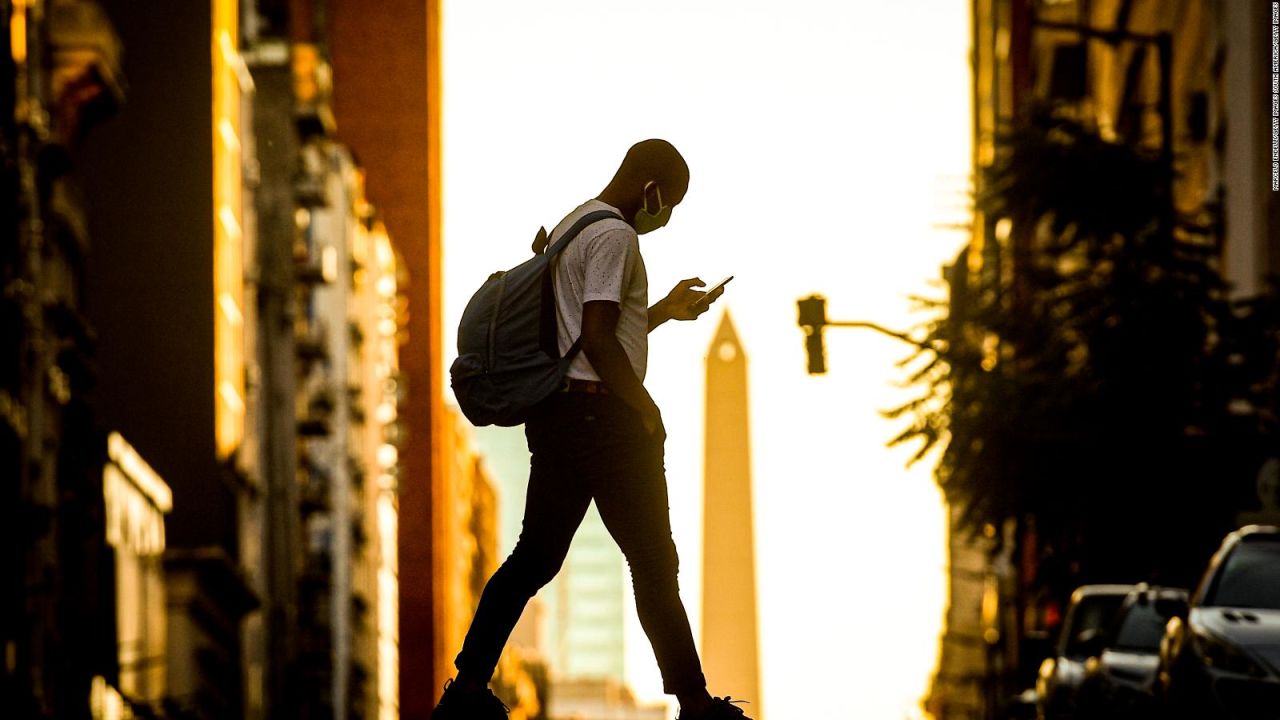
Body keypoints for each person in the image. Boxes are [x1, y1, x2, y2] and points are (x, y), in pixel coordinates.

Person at [432, 139, 752, 720]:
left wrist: (662, 313)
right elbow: (600, 341)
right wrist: (646, 410)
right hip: (604, 421)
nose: (667, 217)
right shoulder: (616, 236)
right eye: (669, 203)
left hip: (559, 416)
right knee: (655, 562)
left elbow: (585, 334)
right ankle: (696, 704)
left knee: (535, 558)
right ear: (649, 187)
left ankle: (466, 691)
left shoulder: (574, 225)